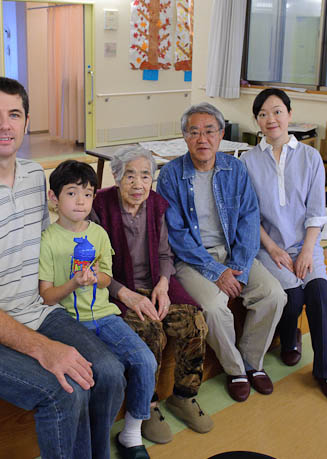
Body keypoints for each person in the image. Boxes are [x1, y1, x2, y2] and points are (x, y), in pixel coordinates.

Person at [0, 77, 125, 459]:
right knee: (63, 392)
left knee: (110, 371)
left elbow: (57, 237)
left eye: (14, 114)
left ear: (26, 121)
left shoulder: (35, 176)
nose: (5, 125)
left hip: (35, 309)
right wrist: (45, 350)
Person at [156, 102, 286, 403]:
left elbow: (249, 219)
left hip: (233, 254)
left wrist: (238, 264)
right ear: (184, 137)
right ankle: (236, 369)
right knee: (214, 307)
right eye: (194, 132)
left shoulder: (235, 169)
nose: (202, 139)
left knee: (274, 294)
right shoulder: (171, 176)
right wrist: (218, 272)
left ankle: (253, 362)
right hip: (192, 259)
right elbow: (177, 235)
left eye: (209, 131)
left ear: (221, 134)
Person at [91, 146, 212, 444]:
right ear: (117, 176)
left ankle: (184, 395)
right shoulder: (99, 206)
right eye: (130, 175)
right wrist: (126, 294)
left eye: (145, 176)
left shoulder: (158, 205)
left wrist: (163, 284)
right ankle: (147, 405)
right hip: (117, 289)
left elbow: (165, 254)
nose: (138, 183)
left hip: (155, 285)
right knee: (150, 332)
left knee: (195, 322)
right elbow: (94, 266)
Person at [39, 160, 157, 459]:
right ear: (54, 197)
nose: (81, 201)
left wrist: (94, 277)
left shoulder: (98, 234)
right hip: (68, 322)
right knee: (105, 373)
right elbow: (47, 297)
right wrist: (74, 283)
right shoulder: (48, 239)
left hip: (104, 316)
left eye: (88, 194)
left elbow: (106, 278)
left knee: (145, 360)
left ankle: (132, 432)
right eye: (72, 193)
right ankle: (94, 442)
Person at [242, 88, 327, 404]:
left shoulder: (310, 157)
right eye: (262, 114)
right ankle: (290, 339)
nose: (270, 119)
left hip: (306, 243)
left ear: (289, 114)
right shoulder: (247, 161)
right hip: (267, 245)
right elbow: (249, 216)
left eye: (276, 111)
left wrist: (305, 251)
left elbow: (316, 212)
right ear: (257, 122)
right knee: (292, 292)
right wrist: (273, 248)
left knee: (319, 295)